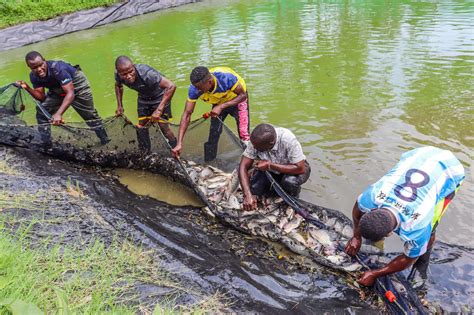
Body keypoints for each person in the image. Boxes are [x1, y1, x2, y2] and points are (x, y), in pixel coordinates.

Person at [344, 146, 465, 287]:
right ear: (372, 210)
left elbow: (409, 258)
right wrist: (356, 236)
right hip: (419, 154)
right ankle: (375, 240)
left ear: (390, 233)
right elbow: (357, 210)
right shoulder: (372, 197)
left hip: (450, 171)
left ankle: (423, 264)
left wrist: (375, 273)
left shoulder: (417, 226)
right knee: (376, 231)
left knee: (432, 226)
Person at [17, 51, 109, 145]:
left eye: (41, 65)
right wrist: (27, 88)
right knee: (42, 111)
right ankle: (46, 144)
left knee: (89, 115)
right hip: (57, 89)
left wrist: (58, 114)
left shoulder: (58, 69)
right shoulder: (33, 76)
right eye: (35, 68)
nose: (39, 69)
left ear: (44, 60)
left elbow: (70, 93)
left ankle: (105, 140)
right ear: (29, 67)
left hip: (77, 86)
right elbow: (42, 98)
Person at [171, 66, 250, 161]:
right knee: (214, 133)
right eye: (196, 87)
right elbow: (187, 114)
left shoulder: (226, 79)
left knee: (244, 134)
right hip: (218, 102)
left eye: (200, 88)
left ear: (209, 82)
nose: (197, 91)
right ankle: (210, 162)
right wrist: (179, 143)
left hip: (237, 100)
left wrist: (221, 106)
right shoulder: (194, 89)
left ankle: (248, 162)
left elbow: (243, 95)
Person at [239, 123, 311, 210]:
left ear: (271, 143)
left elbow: (300, 168)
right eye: (253, 145)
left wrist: (270, 165)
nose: (253, 147)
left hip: (294, 170)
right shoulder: (256, 140)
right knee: (256, 189)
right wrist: (247, 194)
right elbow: (243, 166)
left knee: (289, 182)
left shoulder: (288, 140)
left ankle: (293, 199)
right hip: (271, 168)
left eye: (257, 147)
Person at [114, 56, 177, 149]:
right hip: (143, 97)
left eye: (131, 71)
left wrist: (159, 110)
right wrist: (120, 105)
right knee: (142, 126)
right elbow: (118, 86)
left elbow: (171, 86)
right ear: (119, 73)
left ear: (134, 67)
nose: (128, 76)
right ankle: (145, 152)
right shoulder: (118, 75)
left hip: (160, 96)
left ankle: (175, 149)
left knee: (163, 126)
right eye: (124, 74)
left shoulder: (147, 74)